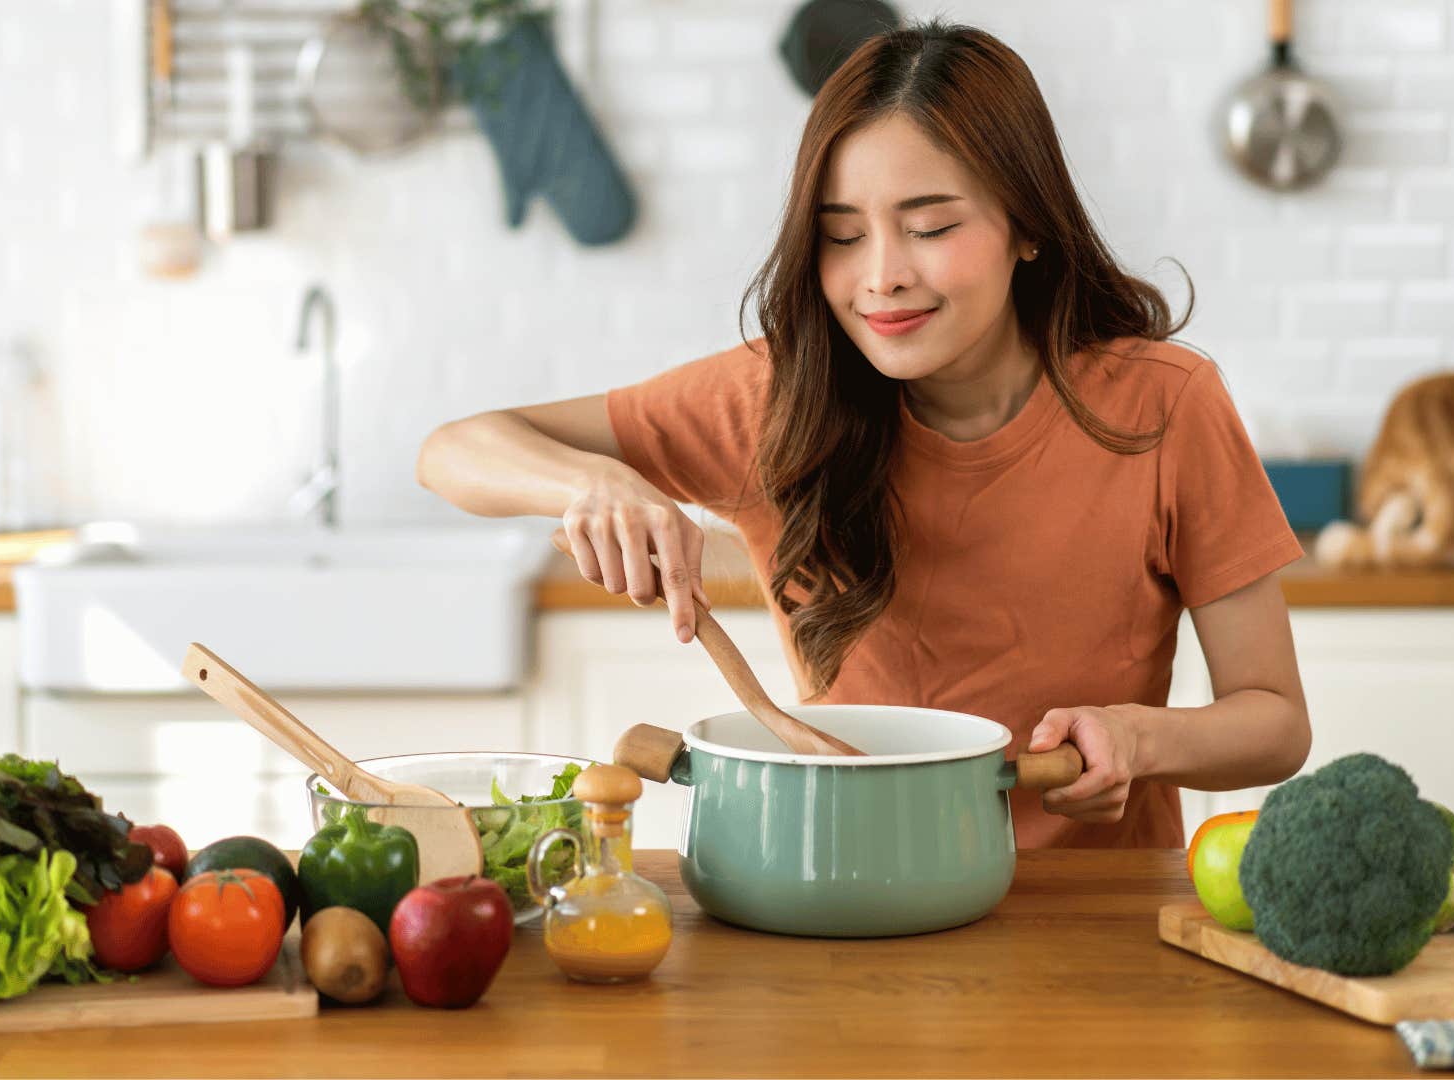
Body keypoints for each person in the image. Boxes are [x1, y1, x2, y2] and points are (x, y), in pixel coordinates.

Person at [417, 21, 1310, 848]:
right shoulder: (776, 398)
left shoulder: (1164, 406)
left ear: (1027, 224)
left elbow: (1274, 723)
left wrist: (1137, 738)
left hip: (1095, 921)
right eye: (842, 236)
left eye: (930, 227)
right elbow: (453, 450)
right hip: (840, 896)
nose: (881, 277)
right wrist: (591, 484)